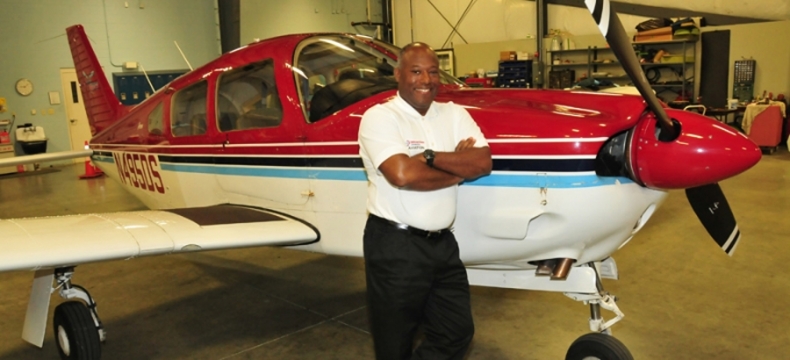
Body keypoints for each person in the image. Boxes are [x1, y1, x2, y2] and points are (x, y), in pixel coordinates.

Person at [358, 42, 492, 360]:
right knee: (394, 343)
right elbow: (402, 175)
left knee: (456, 333)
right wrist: (457, 168)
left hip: (443, 245)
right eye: (416, 71)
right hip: (395, 244)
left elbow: (483, 163)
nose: (426, 80)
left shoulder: (454, 114)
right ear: (398, 74)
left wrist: (429, 157)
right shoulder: (379, 118)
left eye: (433, 72)